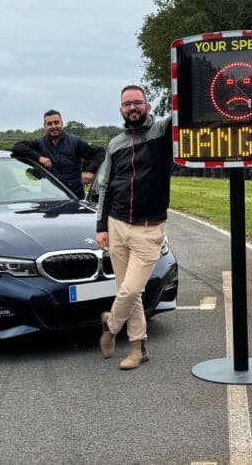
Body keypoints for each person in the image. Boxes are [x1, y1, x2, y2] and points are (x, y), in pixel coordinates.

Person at [96, 85, 173, 370]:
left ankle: (110, 326)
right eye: (127, 104)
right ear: (121, 110)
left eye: (137, 103)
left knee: (128, 291)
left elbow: (181, 112)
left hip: (148, 228)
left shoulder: (162, 133)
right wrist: (101, 226)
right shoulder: (115, 144)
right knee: (131, 293)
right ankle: (138, 349)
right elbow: (105, 186)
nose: (132, 108)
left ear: (147, 106)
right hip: (116, 224)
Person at [11, 110, 105, 198]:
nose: (53, 126)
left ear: (62, 123)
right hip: (49, 200)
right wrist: (39, 158)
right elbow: (17, 147)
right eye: (49, 124)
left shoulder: (75, 142)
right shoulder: (39, 144)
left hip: (75, 198)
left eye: (56, 122)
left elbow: (100, 152)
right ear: (44, 126)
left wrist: (90, 171)